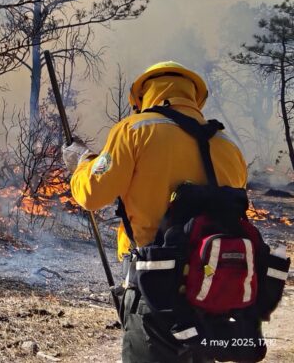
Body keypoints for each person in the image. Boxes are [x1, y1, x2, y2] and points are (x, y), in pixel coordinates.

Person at [63, 61, 247, 363]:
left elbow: (93, 194)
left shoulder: (134, 129)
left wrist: (82, 163)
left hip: (153, 287)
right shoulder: (229, 147)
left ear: (143, 96)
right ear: (194, 98)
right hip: (210, 287)